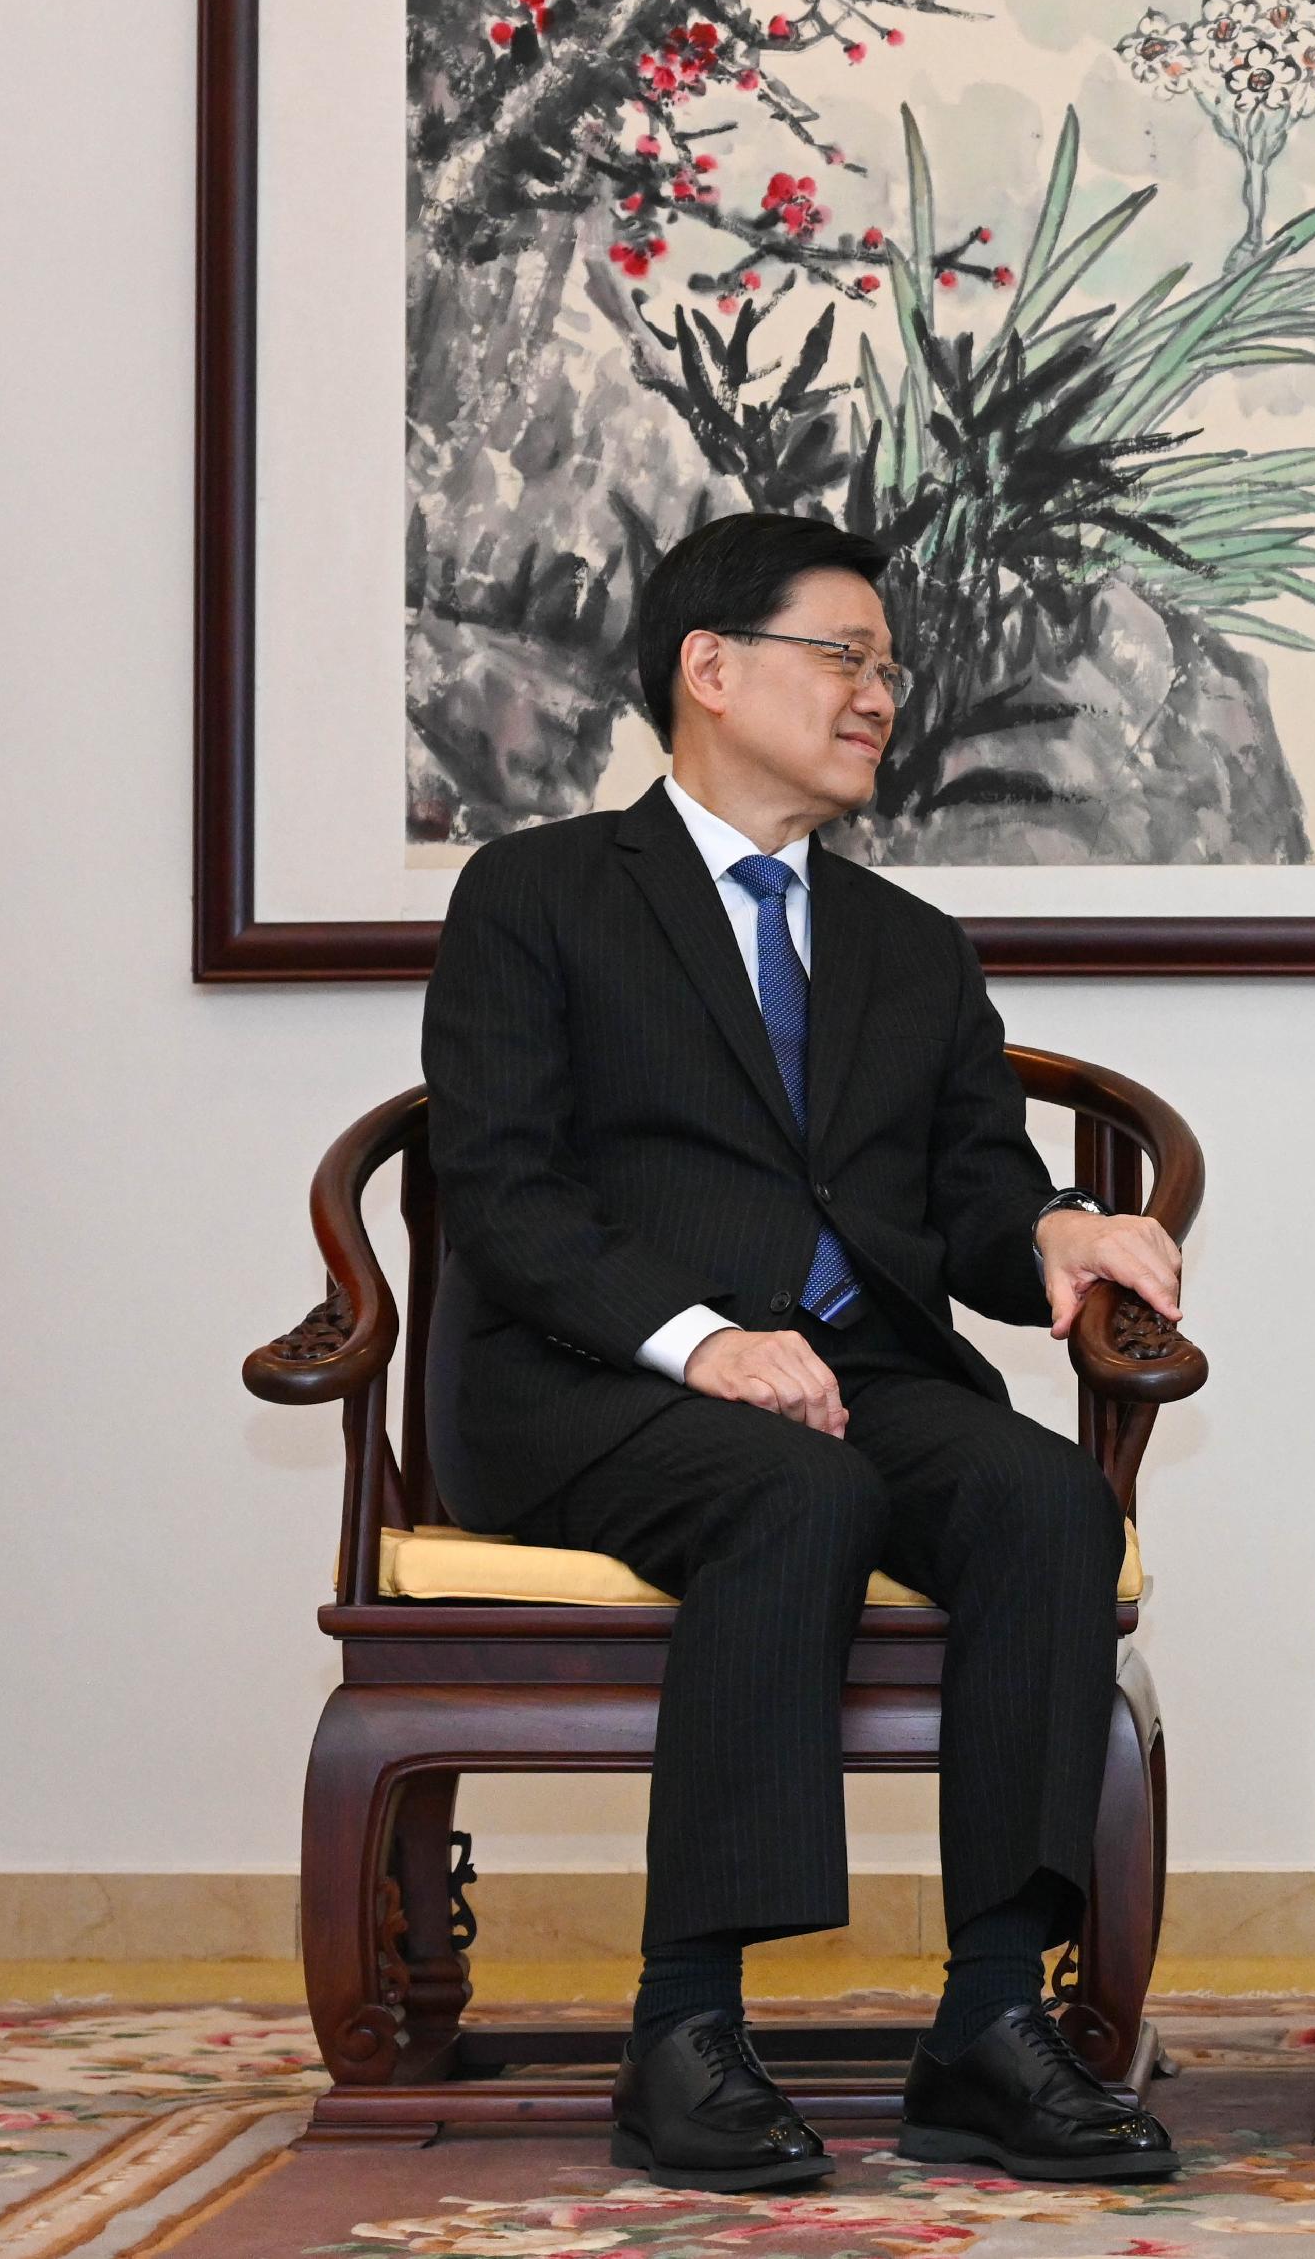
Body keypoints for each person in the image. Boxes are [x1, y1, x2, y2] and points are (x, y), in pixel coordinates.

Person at [423, 513, 1189, 2191]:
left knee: (1046, 1499)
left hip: (853, 1378)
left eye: (888, 668)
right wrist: (703, 1342)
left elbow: (976, 1197)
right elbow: (499, 1187)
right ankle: (685, 2029)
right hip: (593, 1383)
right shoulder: (539, 894)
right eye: (842, 655)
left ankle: (993, 2025)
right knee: (797, 1492)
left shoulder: (911, 947)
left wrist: (1053, 1226)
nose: (878, 695)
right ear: (710, 669)